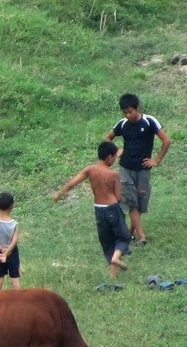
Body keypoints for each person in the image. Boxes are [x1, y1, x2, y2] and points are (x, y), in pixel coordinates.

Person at [53, 141, 132, 279]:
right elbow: (118, 197)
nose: (114, 160)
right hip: (112, 208)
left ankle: (113, 272)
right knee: (124, 237)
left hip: (99, 209)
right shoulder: (113, 174)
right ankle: (116, 258)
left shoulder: (90, 169)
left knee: (107, 240)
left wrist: (59, 194)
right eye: (114, 157)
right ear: (108, 157)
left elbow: (72, 183)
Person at [105, 93, 171, 246]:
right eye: (125, 112)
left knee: (140, 202)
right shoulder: (122, 124)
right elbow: (108, 138)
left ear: (137, 108)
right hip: (125, 169)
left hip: (143, 169)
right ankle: (142, 237)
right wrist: (116, 151)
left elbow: (167, 140)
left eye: (130, 111)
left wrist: (157, 160)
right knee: (131, 201)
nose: (128, 115)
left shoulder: (149, 121)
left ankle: (130, 232)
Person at [0, 192, 21, 290]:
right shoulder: (14, 224)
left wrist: (1, 249)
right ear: (12, 206)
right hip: (12, 253)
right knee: (15, 278)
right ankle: (21, 301)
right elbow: (14, 241)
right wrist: (7, 252)